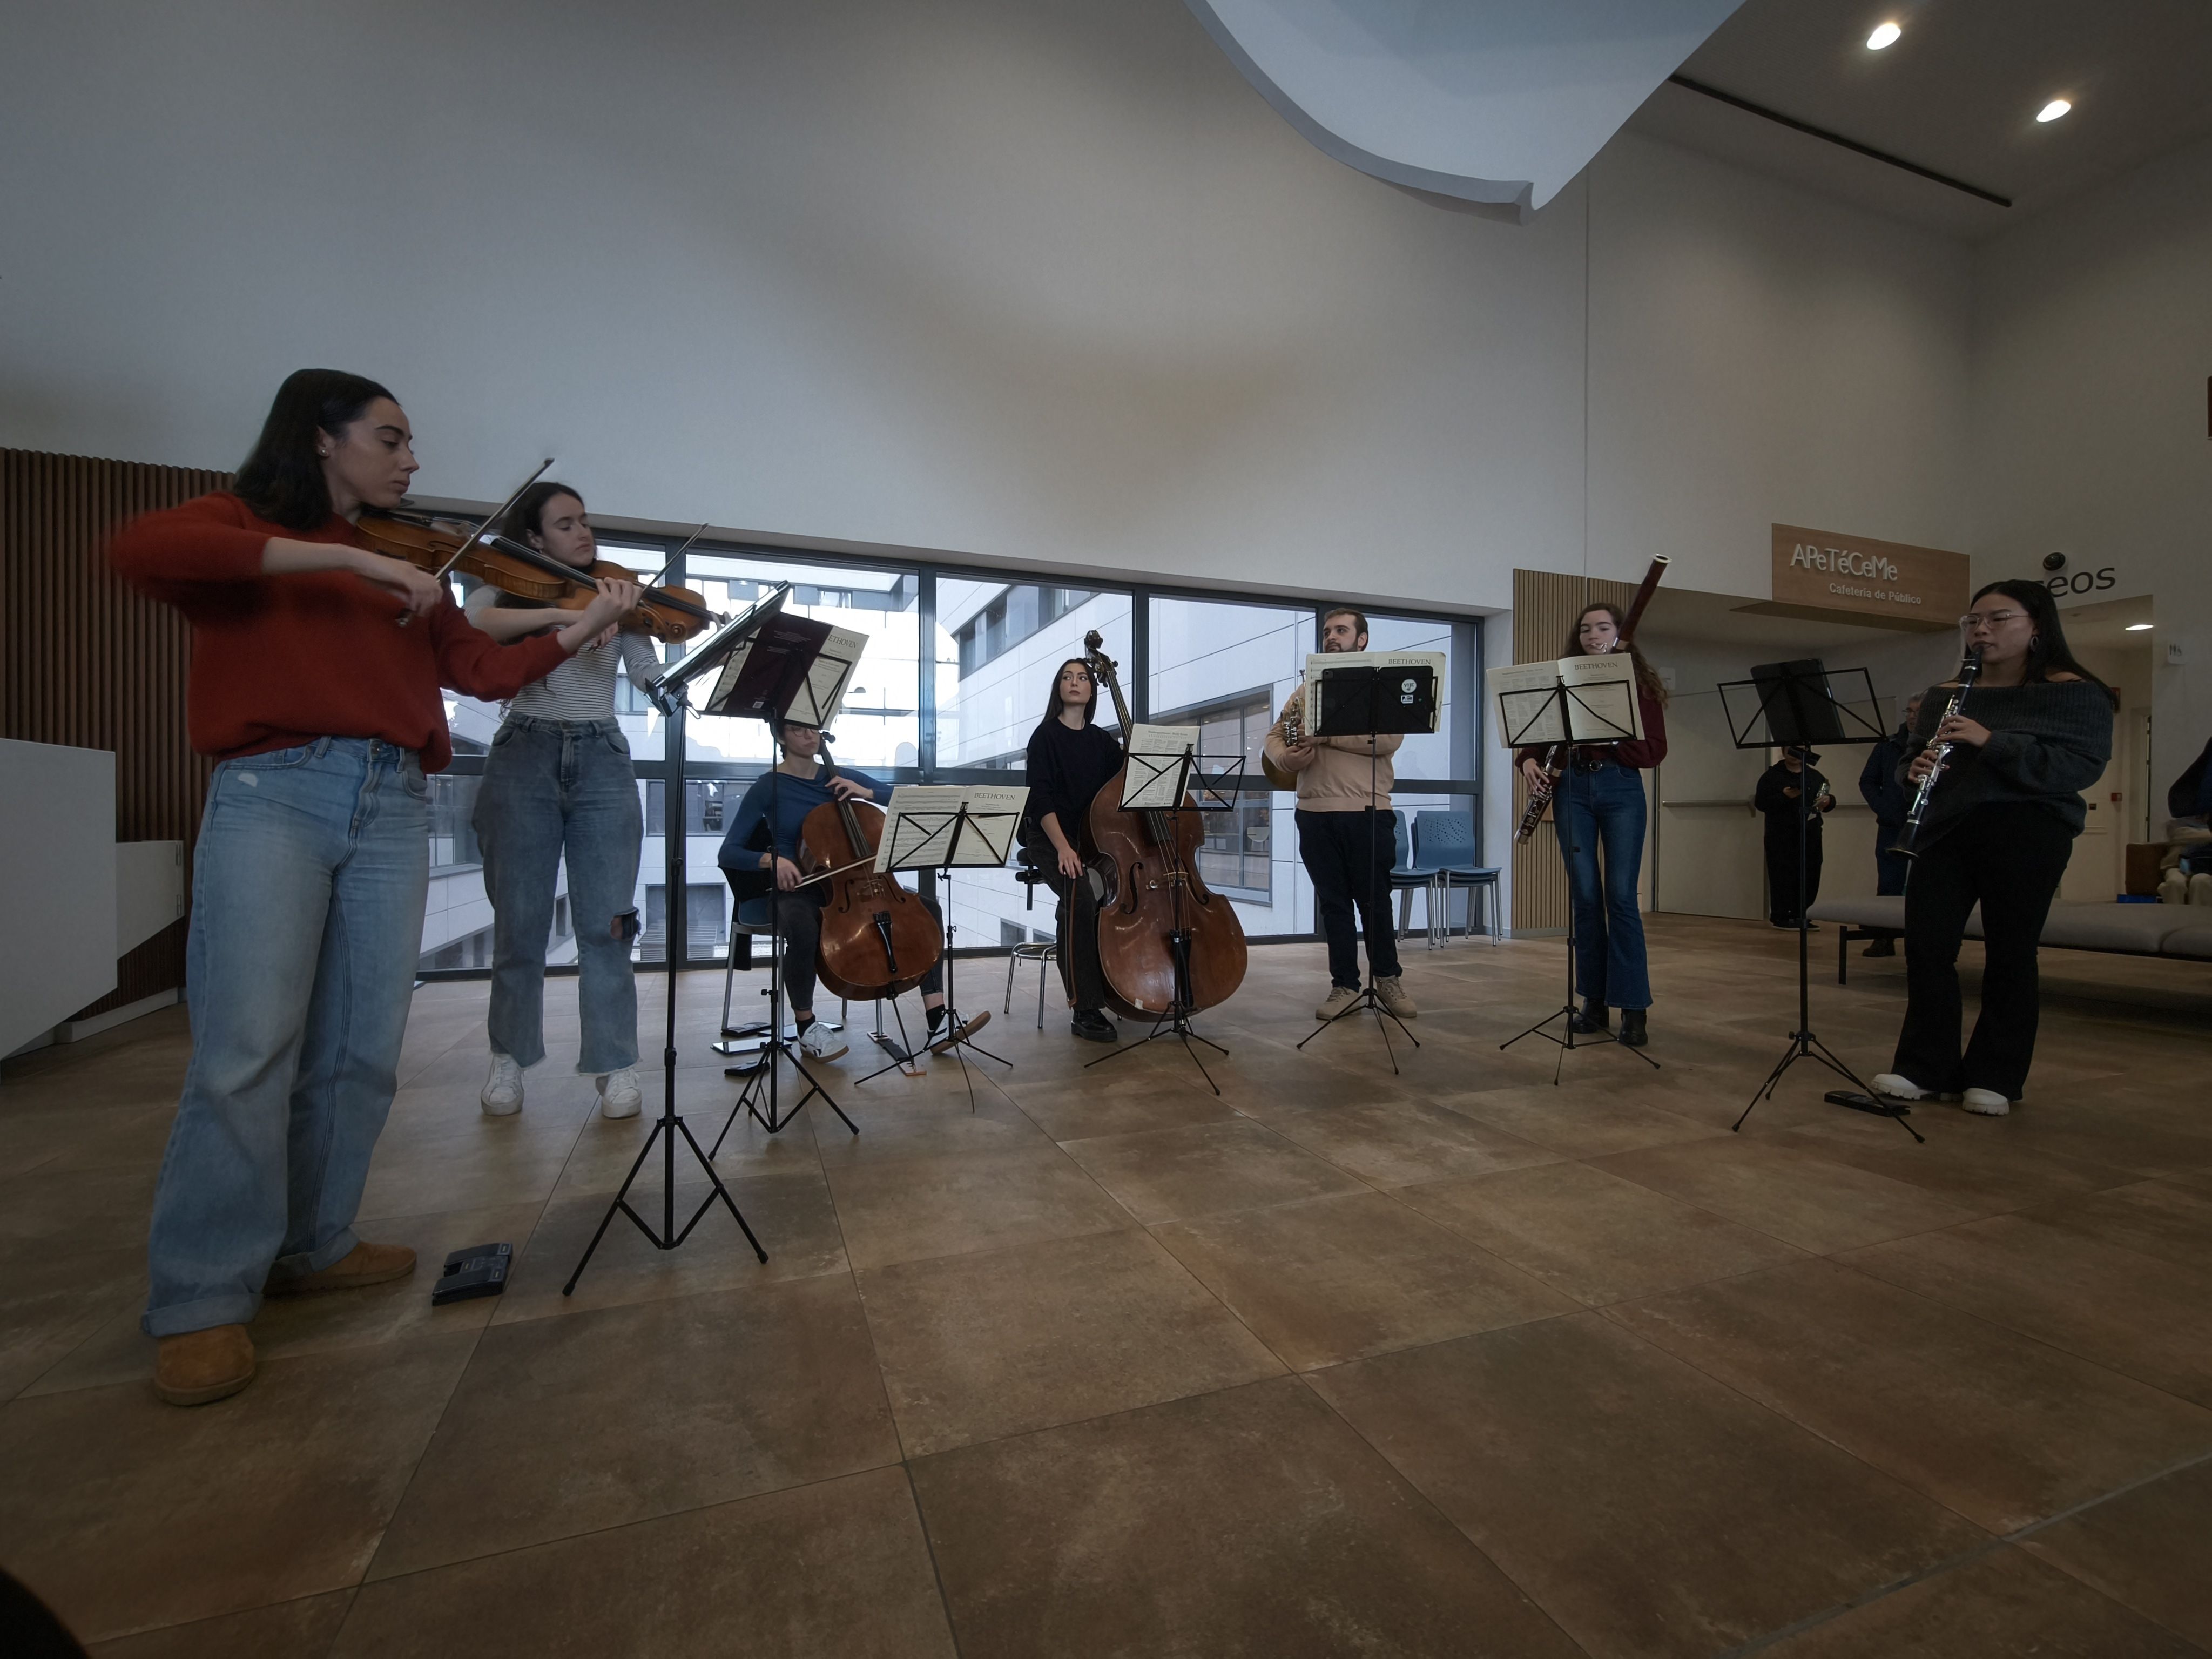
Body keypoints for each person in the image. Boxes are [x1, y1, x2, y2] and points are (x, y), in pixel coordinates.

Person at [107, 369, 636, 1406]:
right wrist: (345, 557)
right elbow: (145, 551)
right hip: (278, 788)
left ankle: (314, 1240)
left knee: (358, 1047)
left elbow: (481, 677)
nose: (411, 458)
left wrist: (578, 626)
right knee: (249, 1045)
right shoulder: (251, 526)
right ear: (321, 439)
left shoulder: (421, 569)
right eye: (390, 439)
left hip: (396, 799)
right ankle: (204, 1294)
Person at [1872, 579, 2115, 1117]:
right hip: (1947, 829)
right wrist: (1911, 772)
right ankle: (1924, 1067)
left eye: (1997, 619)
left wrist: (1991, 740)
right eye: (1973, 621)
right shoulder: (1945, 693)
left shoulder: (2074, 692)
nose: (1981, 630)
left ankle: (1996, 1075)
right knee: (1928, 948)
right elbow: (1913, 757)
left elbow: (2078, 768)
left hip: (2029, 829)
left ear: (2036, 627)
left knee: (2010, 952)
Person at [462, 483, 665, 1121]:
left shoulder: (615, 591)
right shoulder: (506, 586)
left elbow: (643, 666)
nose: (584, 534)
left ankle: (615, 1064)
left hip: (602, 758)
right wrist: (571, 621)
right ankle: (508, 1058)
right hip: (523, 753)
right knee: (518, 926)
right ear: (534, 539)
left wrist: (666, 681)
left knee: (608, 925)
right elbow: (476, 622)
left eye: (586, 523)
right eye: (566, 524)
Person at [716, 720, 966, 1060]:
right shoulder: (768, 787)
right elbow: (729, 852)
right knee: (803, 929)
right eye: (797, 729)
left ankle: (938, 1020)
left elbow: (907, 801)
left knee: (928, 910)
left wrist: (868, 793)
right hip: (800, 888)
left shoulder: (839, 776)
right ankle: (807, 1028)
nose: (809, 735)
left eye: (813, 728)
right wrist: (772, 861)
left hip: (859, 884)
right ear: (780, 736)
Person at [1515, 602, 1667, 1047]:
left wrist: (1612, 736)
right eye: (1585, 629)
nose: (1592, 634)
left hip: (1621, 788)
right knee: (1585, 898)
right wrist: (1526, 761)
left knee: (1621, 897)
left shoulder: (1640, 688)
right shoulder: (1563, 683)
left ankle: (1634, 1008)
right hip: (1572, 791)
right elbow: (1534, 737)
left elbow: (1653, 752)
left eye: (1603, 627)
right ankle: (1594, 1001)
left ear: (1622, 636)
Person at [1264, 608, 1418, 1024]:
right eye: (1328, 631)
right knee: (1333, 906)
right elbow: (1274, 737)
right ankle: (1345, 985)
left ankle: (1387, 979)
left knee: (1375, 904)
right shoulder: (1304, 691)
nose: (1332, 637)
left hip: (1368, 811)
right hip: (1314, 813)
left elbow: (1388, 739)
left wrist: (1325, 734)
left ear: (1362, 639)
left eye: (1342, 631)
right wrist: (1289, 757)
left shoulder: (1379, 689)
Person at [1024, 658, 1127, 1041]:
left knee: (1092, 900)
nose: (1075, 682)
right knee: (1080, 894)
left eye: (1083, 677)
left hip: (1091, 838)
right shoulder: (1044, 737)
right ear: (1059, 688)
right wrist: (1064, 848)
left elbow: (1128, 776)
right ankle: (1084, 1008)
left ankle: (1122, 984)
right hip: (1050, 838)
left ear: (1091, 690)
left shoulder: (1101, 741)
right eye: (1067, 677)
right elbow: (1041, 799)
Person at [1856, 694, 1921, 955]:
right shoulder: (1889, 745)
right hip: (1892, 823)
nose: (1913, 716)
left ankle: (1922, 940)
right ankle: (1884, 938)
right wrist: (1884, 808)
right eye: (1910, 711)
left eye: (1919, 711)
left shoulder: (1940, 743)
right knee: (1889, 883)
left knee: (1925, 883)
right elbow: (1867, 781)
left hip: (1927, 824)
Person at [1755, 747, 1836, 929]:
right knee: (1782, 873)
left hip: (1811, 833)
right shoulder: (1772, 776)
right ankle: (1782, 916)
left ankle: (1804, 915)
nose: (1794, 754)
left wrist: (1829, 801)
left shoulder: (1814, 776)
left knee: (1811, 872)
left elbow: (1825, 800)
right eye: (1790, 749)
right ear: (1783, 751)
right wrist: (1784, 796)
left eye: (1799, 749)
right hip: (1781, 835)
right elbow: (1761, 803)